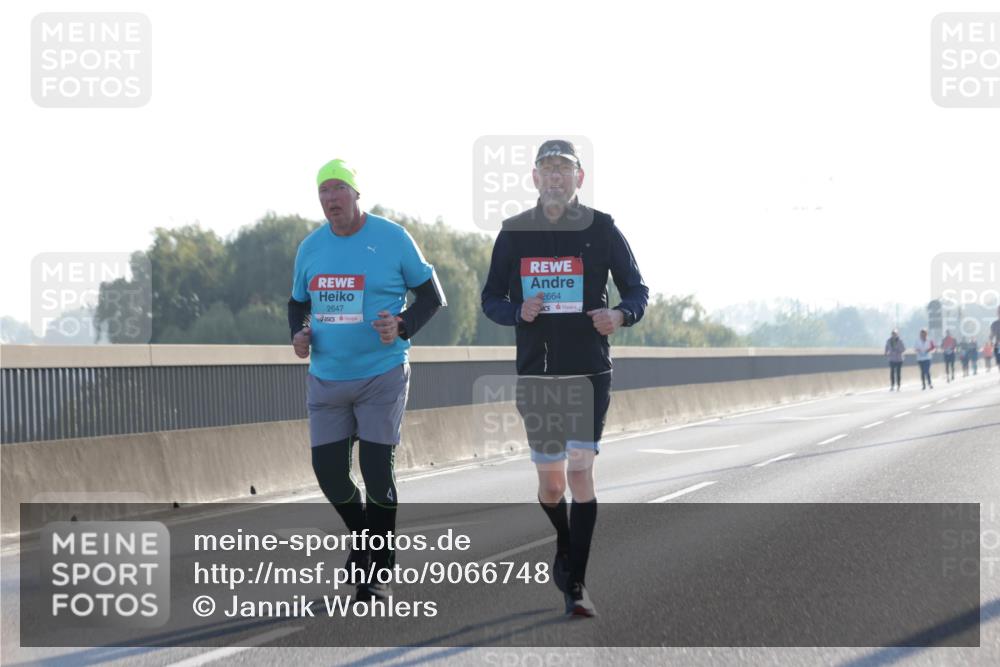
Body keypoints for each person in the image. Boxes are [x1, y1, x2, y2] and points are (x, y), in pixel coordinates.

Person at [481, 140, 648, 617]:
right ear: (535, 178)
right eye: (547, 170)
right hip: (537, 374)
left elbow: (637, 290)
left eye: (564, 170)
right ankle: (563, 539)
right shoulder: (514, 233)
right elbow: (490, 297)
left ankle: (576, 583)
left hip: (589, 371)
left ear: (579, 178)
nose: (555, 178)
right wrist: (517, 310)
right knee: (552, 487)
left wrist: (619, 315)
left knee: (579, 471)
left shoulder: (602, 228)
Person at [289, 159, 446, 600]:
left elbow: (433, 296)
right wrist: (298, 334)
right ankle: (366, 542)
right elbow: (296, 304)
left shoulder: (392, 238)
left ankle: (378, 568)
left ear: (357, 195)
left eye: (339, 189)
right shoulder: (310, 248)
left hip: (382, 374)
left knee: (377, 474)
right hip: (327, 377)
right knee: (329, 474)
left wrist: (402, 325)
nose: (331, 199)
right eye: (324, 192)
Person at [992, 307, 1000, 381]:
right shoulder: (994, 324)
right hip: (998, 345)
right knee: (998, 361)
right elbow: (992, 334)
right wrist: (991, 341)